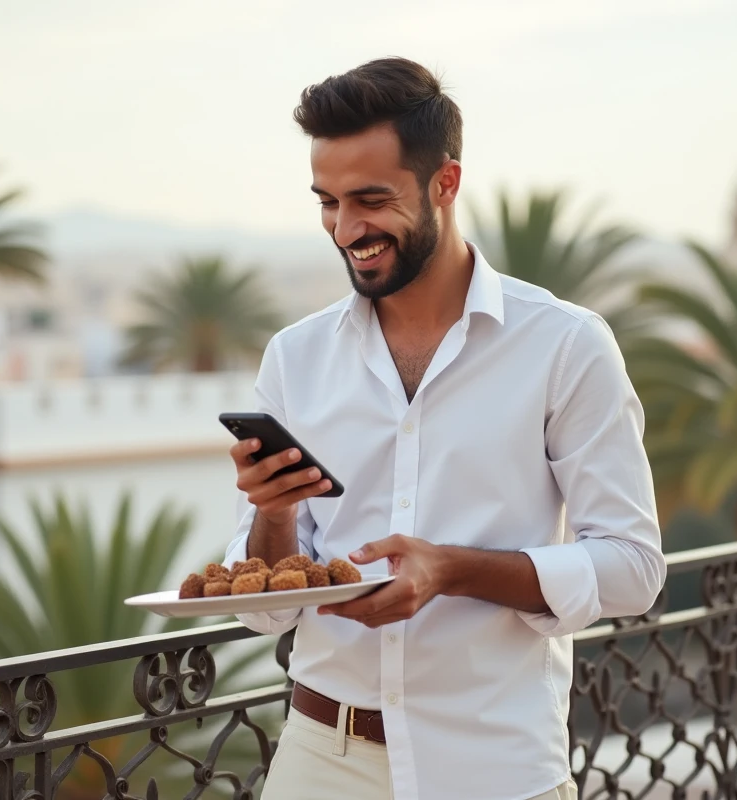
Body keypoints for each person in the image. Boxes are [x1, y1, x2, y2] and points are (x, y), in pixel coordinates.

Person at [222, 57, 665, 800]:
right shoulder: (294, 358)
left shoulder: (565, 344)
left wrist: (451, 571)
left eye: (370, 199)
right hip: (319, 762)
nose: (347, 228)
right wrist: (273, 511)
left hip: (496, 767)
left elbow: (632, 569)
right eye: (327, 201)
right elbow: (267, 612)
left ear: (444, 184)